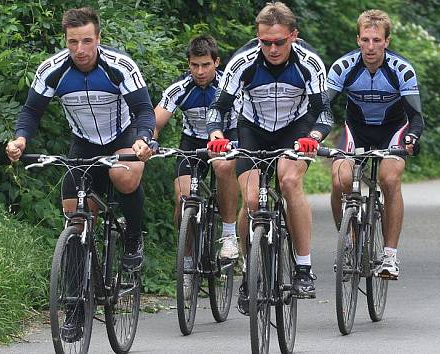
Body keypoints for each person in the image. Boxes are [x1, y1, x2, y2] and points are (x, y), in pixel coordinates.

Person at [5, 7, 154, 341]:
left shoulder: (120, 66)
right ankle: (75, 309)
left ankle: (132, 240)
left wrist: (144, 139)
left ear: (98, 39)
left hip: (122, 138)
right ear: (66, 40)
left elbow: (144, 110)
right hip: (83, 144)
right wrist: (20, 139)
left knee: (125, 177)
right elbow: (31, 110)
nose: (80, 49)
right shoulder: (52, 71)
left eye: (87, 41)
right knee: (76, 218)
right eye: (73, 42)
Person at [206, 2, 333, 313]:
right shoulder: (243, 62)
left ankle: (303, 267)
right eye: (265, 42)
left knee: (289, 182)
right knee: (251, 201)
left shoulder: (310, 62)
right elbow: (218, 108)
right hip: (254, 128)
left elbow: (325, 112)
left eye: (279, 41)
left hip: (296, 128)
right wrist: (216, 135)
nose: (272, 49)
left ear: (293, 36)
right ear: (257, 37)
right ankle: (251, 272)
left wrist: (313, 138)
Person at [326, 9, 424, 279]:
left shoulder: (401, 70)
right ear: (358, 39)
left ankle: (390, 256)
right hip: (355, 129)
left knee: (389, 179)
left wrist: (412, 138)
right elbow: (321, 106)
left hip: (392, 131)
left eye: (377, 40)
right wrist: (313, 134)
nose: (371, 47)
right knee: (340, 180)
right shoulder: (343, 67)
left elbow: (416, 116)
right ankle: (347, 242)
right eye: (366, 39)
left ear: (387, 42)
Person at [153, 35, 240, 277]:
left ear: (217, 62)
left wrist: (232, 143)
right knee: (182, 199)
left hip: (227, 135)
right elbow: (155, 120)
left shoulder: (230, 86)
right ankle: (188, 258)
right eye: (194, 65)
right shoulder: (180, 88)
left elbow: (246, 119)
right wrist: (149, 140)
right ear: (188, 64)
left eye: (205, 65)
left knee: (223, 168)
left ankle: (229, 234)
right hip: (192, 141)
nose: (200, 71)